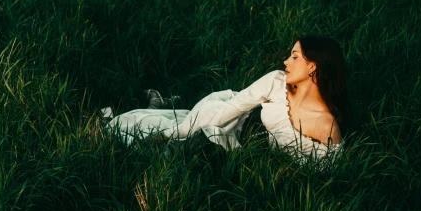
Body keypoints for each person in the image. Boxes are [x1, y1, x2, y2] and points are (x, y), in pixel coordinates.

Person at [102, 34, 352, 168]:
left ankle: (160, 104)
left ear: (312, 67)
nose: (286, 61)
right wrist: (172, 133)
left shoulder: (325, 126)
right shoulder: (277, 81)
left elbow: (327, 171)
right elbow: (233, 107)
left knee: (182, 156)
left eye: (294, 56)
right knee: (173, 139)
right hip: (233, 119)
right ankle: (159, 107)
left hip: (247, 150)